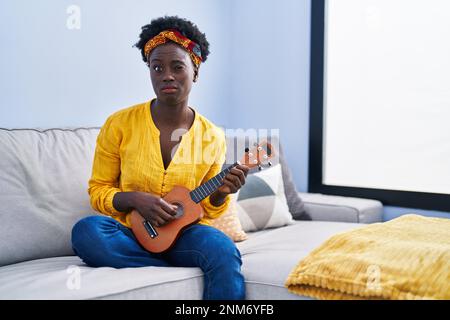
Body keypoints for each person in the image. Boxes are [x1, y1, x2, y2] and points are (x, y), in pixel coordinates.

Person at [71, 16, 249, 300]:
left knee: (223, 249)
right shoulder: (119, 124)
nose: (167, 75)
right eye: (157, 68)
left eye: (177, 67)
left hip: (185, 236)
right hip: (132, 234)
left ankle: (173, 262)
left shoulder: (212, 136)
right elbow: (98, 191)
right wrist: (134, 199)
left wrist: (220, 195)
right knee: (87, 232)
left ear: (195, 72)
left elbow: (208, 209)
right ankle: (167, 266)